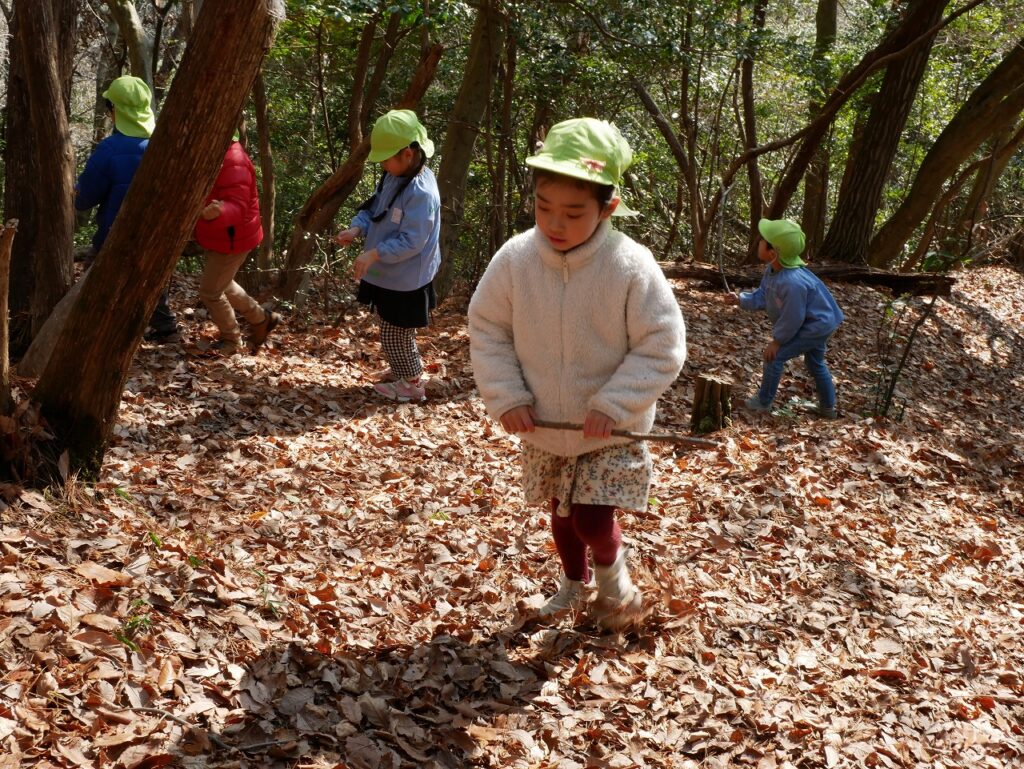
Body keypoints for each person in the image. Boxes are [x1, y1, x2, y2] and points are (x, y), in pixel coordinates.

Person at [468, 118, 686, 629]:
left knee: (592, 518)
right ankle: (572, 584)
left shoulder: (630, 264)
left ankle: (616, 587)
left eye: (572, 213)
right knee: (562, 516)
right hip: (545, 423)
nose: (555, 223)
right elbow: (488, 328)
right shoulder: (516, 259)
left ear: (607, 207)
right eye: (544, 207)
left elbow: (662, 344)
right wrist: (507, 395)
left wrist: (614, 404)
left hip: (610, 428)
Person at [334, 110, 440, 402]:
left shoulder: (421, 192)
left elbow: (413, 241)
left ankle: (411, 384)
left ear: (407, 154)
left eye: (385, 159)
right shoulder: (395, 176)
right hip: (389, 274)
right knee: (394, 329)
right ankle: (403, 370)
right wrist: (357, 228)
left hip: (407, 279)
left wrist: (375, 254)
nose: (382, 165)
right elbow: (376, 209)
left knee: (395, 333)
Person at [75, 75, 178, 342]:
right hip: (157, 234)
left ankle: (88, 336)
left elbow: (84, 198)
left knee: (91, 286)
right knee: (150, 279)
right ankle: (165, 329)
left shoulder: (110, 149)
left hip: (113, 236)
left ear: (115, 110)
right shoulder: (166, 143)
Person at [729, 218, 844, 418]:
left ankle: (763, 402)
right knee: (815, 363)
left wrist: (777, 342)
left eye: (763, 241)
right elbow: (763, 295)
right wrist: (740, 299)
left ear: (773, 253)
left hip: (816, 325)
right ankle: (828, 408)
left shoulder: (792, 284)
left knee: (773, 357)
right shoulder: (773, 270)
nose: (759, 242)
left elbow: (793, 318)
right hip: (817, 322)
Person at [195, 136, 280, 354]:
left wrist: (220, 212)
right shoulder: (211, 150)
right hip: (221, 234)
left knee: (210, 291)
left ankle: (232, 340)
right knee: (223, 283)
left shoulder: (233, 158)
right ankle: (262, 319)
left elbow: (237, 204)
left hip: (232, 237)